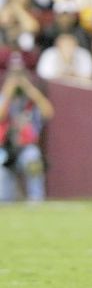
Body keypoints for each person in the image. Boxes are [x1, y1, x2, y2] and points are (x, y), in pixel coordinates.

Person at [0, 53, 54, 202]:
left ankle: (36, 202)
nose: (17, 80)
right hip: (5, 148)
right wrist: (8, 92)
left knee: (33, 161)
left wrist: (29, 89)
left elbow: (48, 112)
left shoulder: (31, 99)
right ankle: (5, 203)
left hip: (26, 147)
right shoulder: (4, 96)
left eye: (20, 75)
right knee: (1, 174)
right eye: (14, 76)